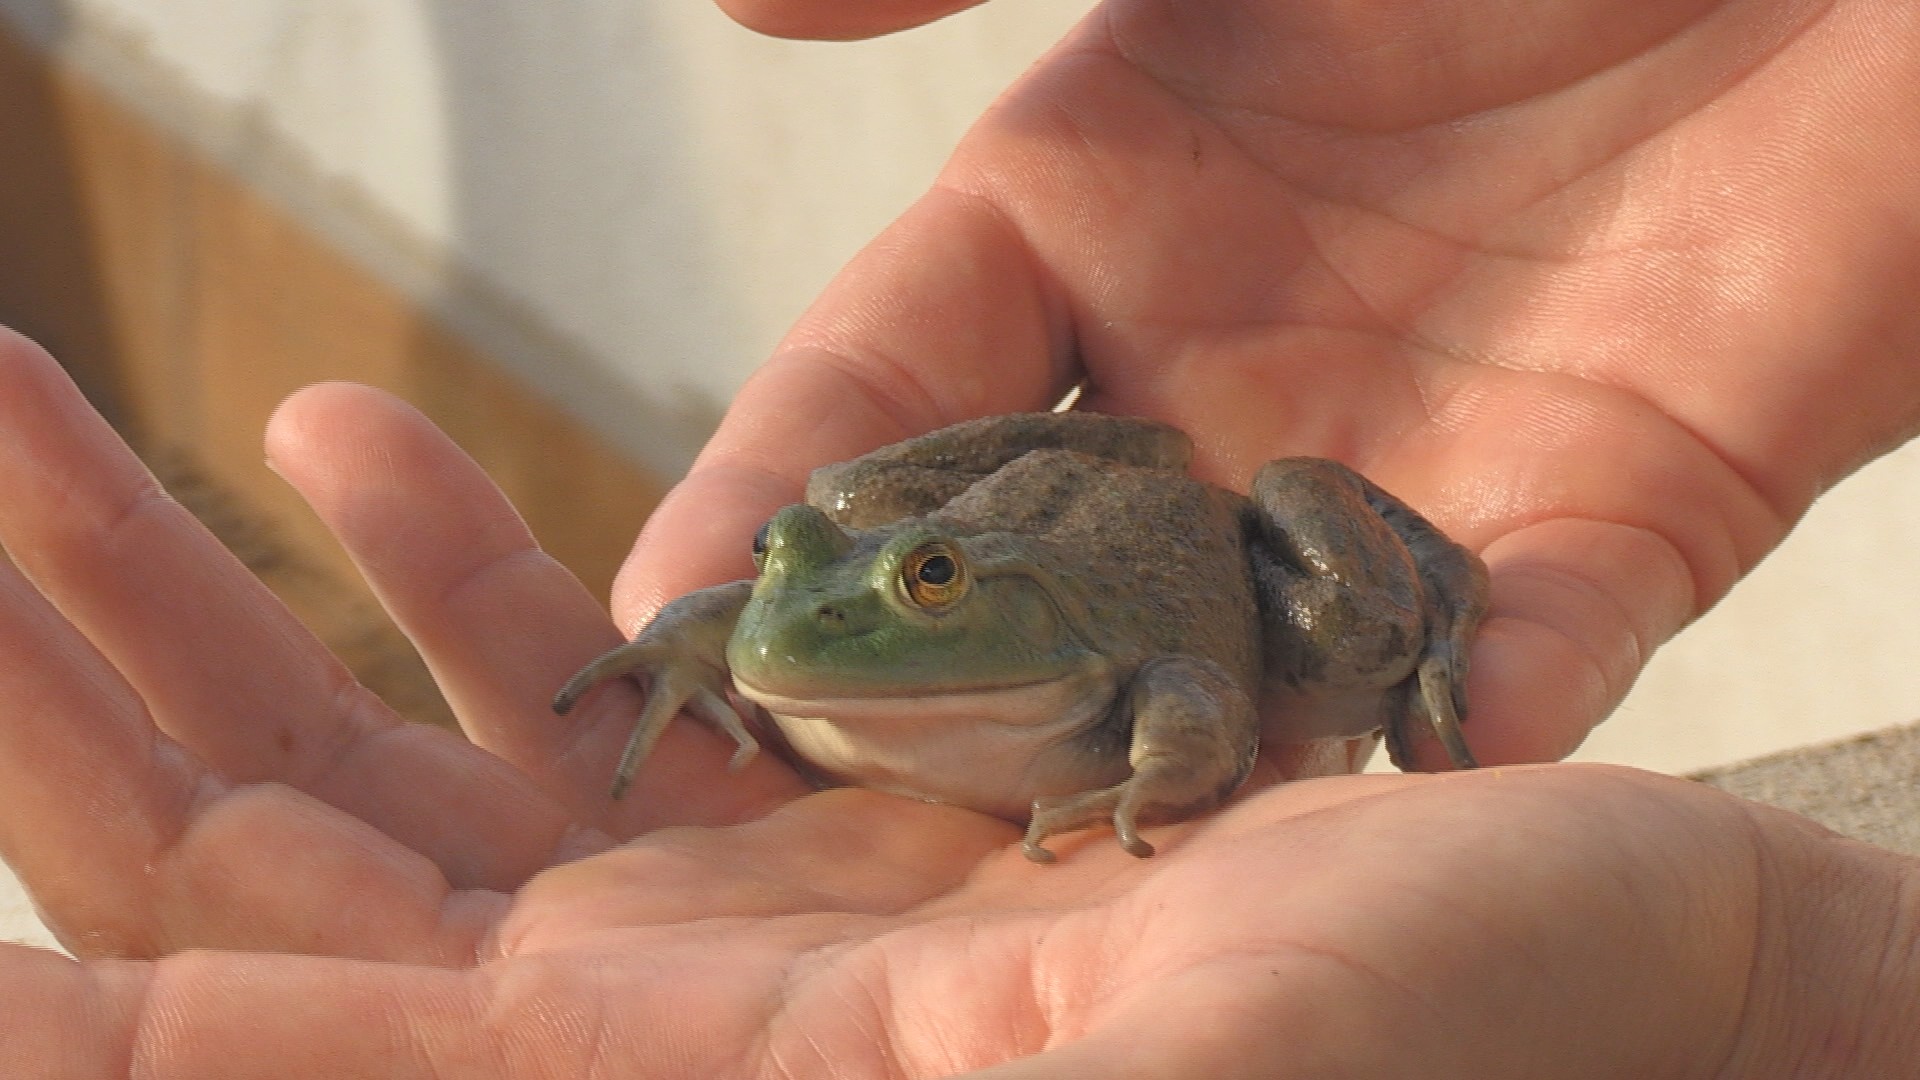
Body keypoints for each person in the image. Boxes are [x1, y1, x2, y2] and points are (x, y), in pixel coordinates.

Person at [4, 0, 1919, 1074]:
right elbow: (735, 602)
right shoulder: (804, 600)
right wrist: (689, 640)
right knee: (831, 513)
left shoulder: (1100, 662)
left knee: (1334, 640)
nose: (798, 624)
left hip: (1185, 550)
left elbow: (1192, 703)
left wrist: (1771, 972)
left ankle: (1432, 611)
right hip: (1031, 513)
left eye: (918, 595)